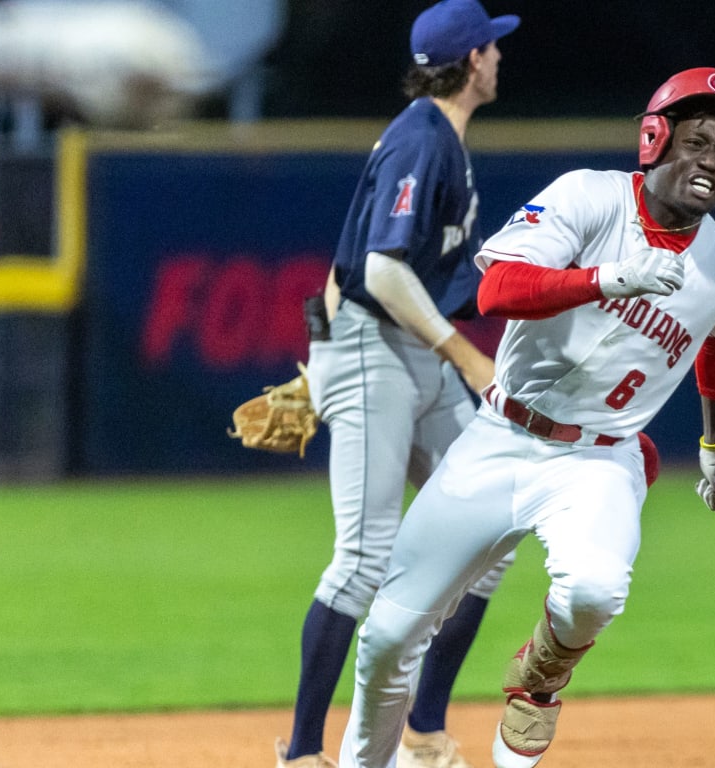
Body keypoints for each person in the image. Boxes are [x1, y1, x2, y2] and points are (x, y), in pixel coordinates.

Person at [334, 66, 715, 768]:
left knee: (596, 589)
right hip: (498, 438)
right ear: (655, 139)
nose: (712, 160)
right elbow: (500, 287)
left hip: (598, 459)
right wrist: (606, 277)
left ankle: (541, 676)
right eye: (698, 141)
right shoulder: (588, 196)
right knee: (386, 637)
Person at [275, 2, 520, 767]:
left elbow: (354, 249)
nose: (500, 57)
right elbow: (377, 268)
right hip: (377, 349)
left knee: (491, 533)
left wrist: (316, 361)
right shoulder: (423, 138)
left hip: (401, 351)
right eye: (492, 46)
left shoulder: (434, 136)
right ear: (472, 60)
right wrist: (467, 357)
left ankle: (420, 731)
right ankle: (303, 753)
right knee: (361, 559)